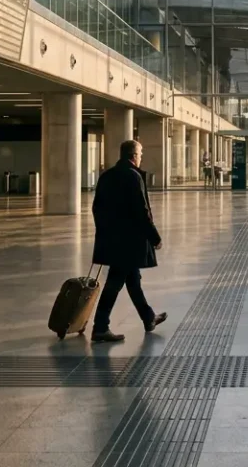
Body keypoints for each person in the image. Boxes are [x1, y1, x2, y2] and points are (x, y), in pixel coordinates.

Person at [90, 140, 168, 343]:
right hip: (129, 241)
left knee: (133, 280)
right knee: (115, 282)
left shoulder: (107, 176)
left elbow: (96, 207)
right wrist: (155, 237)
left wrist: (106, 231)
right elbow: (141, 211)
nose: (141, 156)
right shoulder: (133, 176)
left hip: (113, 238)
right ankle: (100, 327)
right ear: (133, 155)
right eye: (140, 153)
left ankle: (148, 317)